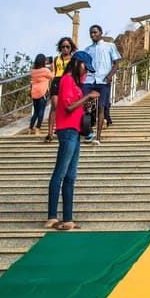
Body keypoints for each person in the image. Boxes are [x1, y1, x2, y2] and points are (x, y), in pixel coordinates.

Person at [46, 51, 100, 230]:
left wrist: (85, 103)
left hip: (75, 131)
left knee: (70, 176)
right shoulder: (67, 79)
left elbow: (73, 105)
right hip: (67, 130)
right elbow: (68, 107)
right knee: (60, 173)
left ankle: (68, 218)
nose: (85, 72)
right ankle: (52, 217)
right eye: (85, 67)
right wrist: (87, 97)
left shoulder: (75, 83)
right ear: (77, 63)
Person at [83, 25, 121, 144]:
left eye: (95, 32)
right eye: (91, 33)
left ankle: (98, 137)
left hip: (103, 80)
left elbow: (116, 63)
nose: (93, 35)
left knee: (101, 107)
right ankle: (89, 131)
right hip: (89, 80)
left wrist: (110, 76)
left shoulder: (110, 46)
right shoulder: (87, 49)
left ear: (101, 33)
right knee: (83, 104)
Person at [45, 37, 76, 142]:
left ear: (71, 48)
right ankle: (50, 133)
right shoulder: (56, 59)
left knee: (66, 106)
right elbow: (53, 72)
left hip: (68, 81)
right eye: (63, 47)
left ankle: (62, 128)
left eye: (67, 47)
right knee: (54, 105)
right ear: (60, 48)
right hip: (57, 81)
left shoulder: (73, 59)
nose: (65, 49)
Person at [28, 53, 54, 135]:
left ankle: (30, 128)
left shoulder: (33, 71)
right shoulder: (45, 70)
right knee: (41, 111)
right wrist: (52, 65)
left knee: (35, 112)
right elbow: (53, 76)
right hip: (42, 92)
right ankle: (37, 128)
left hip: (34, 92)